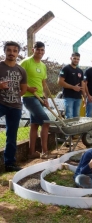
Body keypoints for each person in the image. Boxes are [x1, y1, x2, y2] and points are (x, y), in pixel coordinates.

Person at [21, 41, 57, 160]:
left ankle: (32, 153)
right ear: (33, 50)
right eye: (38, 50)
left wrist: (45, 98)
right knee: (46, 122)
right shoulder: (25, 62)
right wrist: (28, 88)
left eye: (42, 50)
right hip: (29, 97)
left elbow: (43, 83)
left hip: (39, 98)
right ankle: (45, 152)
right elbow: (17, 79)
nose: (40, 52)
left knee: (34, 125)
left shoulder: (42, 65)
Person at [0, 41, 27, 171]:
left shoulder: (21, 70)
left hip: (15, 106)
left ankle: (9, 163)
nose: (12, 53)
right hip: (1, 104)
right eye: (9, 50)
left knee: (12, 136)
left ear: (18, 53)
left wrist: (14, 97)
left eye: (15, 51)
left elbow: (23, 89)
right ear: (4, 51)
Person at [58, 52, 86, 119]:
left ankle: (75, 129)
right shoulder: (66, 69)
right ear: (71, 58)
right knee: (69, 115)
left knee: (76, 116)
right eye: (74, 58)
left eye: (78, 59)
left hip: (78, 97)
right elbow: (59, 82)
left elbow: (82, 85)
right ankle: (69, 129)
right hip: (68, 97)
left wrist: (84, 97)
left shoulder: (80, 71)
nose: (76, 60)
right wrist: (73, 87)